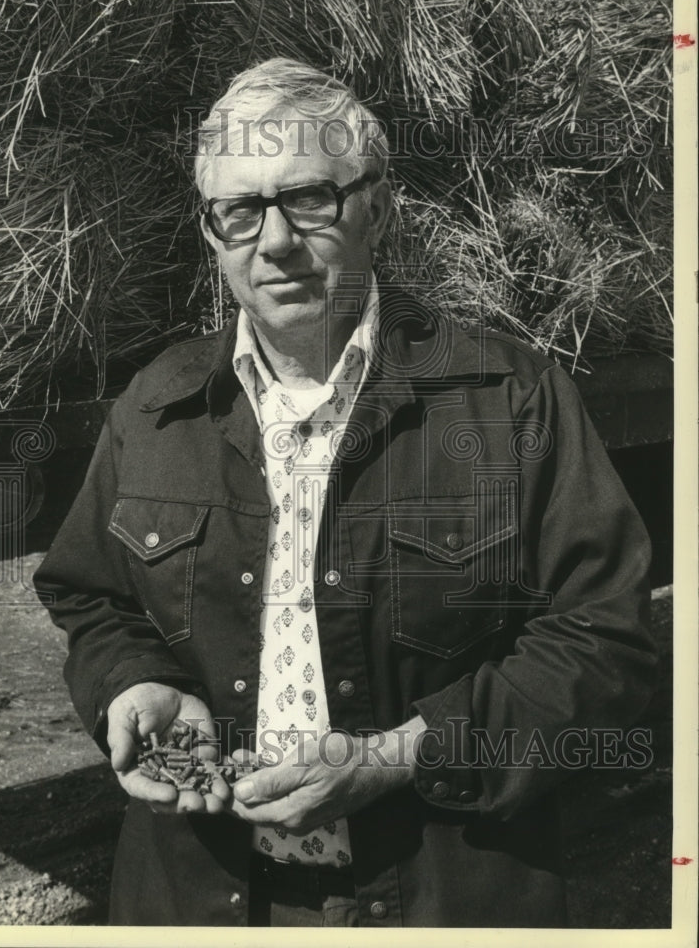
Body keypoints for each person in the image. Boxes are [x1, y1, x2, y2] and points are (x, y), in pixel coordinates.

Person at [33, 58, 657, 928]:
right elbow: (92, 597)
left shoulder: (508, 395)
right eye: (240, 211)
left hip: (441, 894)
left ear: (378, 206)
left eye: (309, 200)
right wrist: (135, 684)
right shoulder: (156, 404)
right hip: (199, 899)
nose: (275, 241)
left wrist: (399, 757)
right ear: (211, 232)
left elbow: (604, 640)